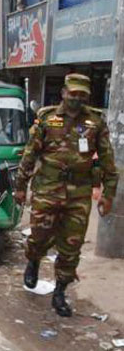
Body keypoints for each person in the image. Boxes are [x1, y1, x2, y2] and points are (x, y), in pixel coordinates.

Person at [15, 73, 117, 317]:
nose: (76, 98)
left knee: (72, 246)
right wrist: (21, 185)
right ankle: (34, 260)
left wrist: (108, 194)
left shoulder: (95, 123)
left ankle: (60, 291)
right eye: (73, 93)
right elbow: (30, 154)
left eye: (82, 94)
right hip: (47, 189)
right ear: (63, 92)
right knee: (39, 235)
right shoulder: (47, 119)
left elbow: (107, 162)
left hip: (79, 195)